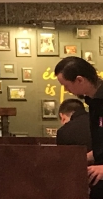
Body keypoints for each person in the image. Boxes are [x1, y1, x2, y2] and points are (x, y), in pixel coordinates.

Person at [55, 57, 103, 198]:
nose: (66, 90)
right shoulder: (93, 102)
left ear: (79, 80)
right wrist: (79, 158)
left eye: (66, 85)